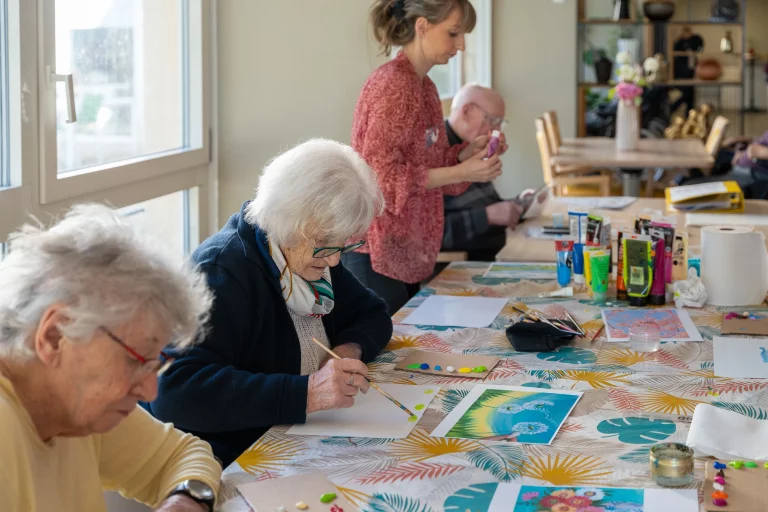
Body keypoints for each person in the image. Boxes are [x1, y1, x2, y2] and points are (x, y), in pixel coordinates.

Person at [145, 139, 392, 467]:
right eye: (324, 243)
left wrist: (349, 349)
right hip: (237, 458)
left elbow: (373, 313)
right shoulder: (222, 271)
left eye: (341, 244)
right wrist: (306, 393)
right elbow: (173, 391)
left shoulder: (307, 257)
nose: (334, 261)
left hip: (305, 439)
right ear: (291, 222)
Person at [0, 204, 221, 512]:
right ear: (55, 336)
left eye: (154, 363)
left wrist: (185, 501)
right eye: (135, 361)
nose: (150, 391)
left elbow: (182, 455)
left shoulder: (73, 406)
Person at [342, 0, 508, 314]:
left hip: (405, 246)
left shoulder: (425, 86)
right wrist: (463, 172)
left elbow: (427, 165)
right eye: (454, 33)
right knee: (387, 357)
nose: (460, 45)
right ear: (422, 27)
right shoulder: (395, 86)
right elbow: (380, 178)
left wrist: (464, 154)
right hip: (375, 249)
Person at [442, 84, 538, 261]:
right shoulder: (433, 152)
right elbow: (432, 233)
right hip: (471, 261)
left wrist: (519, 204)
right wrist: (486, 216)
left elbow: (486, 205)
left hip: (499, 245)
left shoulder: (469, 147)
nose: (497, 131)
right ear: (466, 111)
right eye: (493, 121)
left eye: (500, 123)